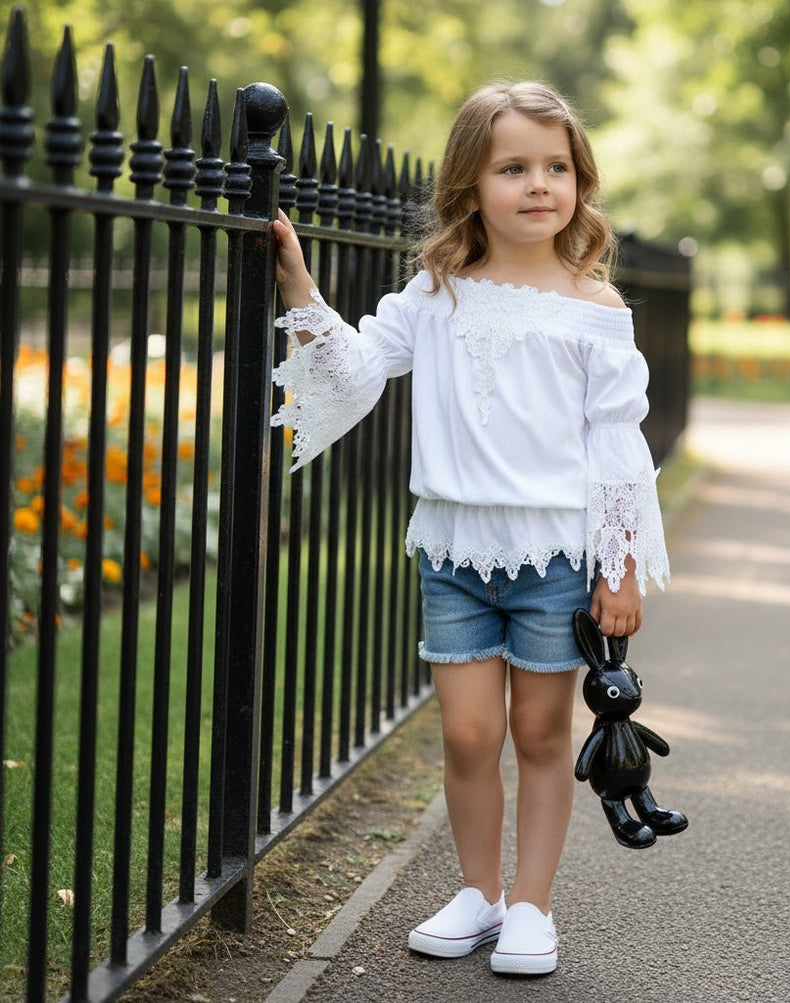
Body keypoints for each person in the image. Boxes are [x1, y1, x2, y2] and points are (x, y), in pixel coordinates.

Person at [270, 81, 670, 977]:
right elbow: (360, 365)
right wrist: (298, 283)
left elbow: (616, 447)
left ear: (580, 182)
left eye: (557, 167)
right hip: (452, 553)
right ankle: (479, 893)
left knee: (538, 733)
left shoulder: (596, 309)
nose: (539, 185)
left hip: (556, 559)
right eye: (514, 167)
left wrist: (622, 567)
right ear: (470, 184)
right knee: (467, 735)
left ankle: (531, 904)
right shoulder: (436, 291)